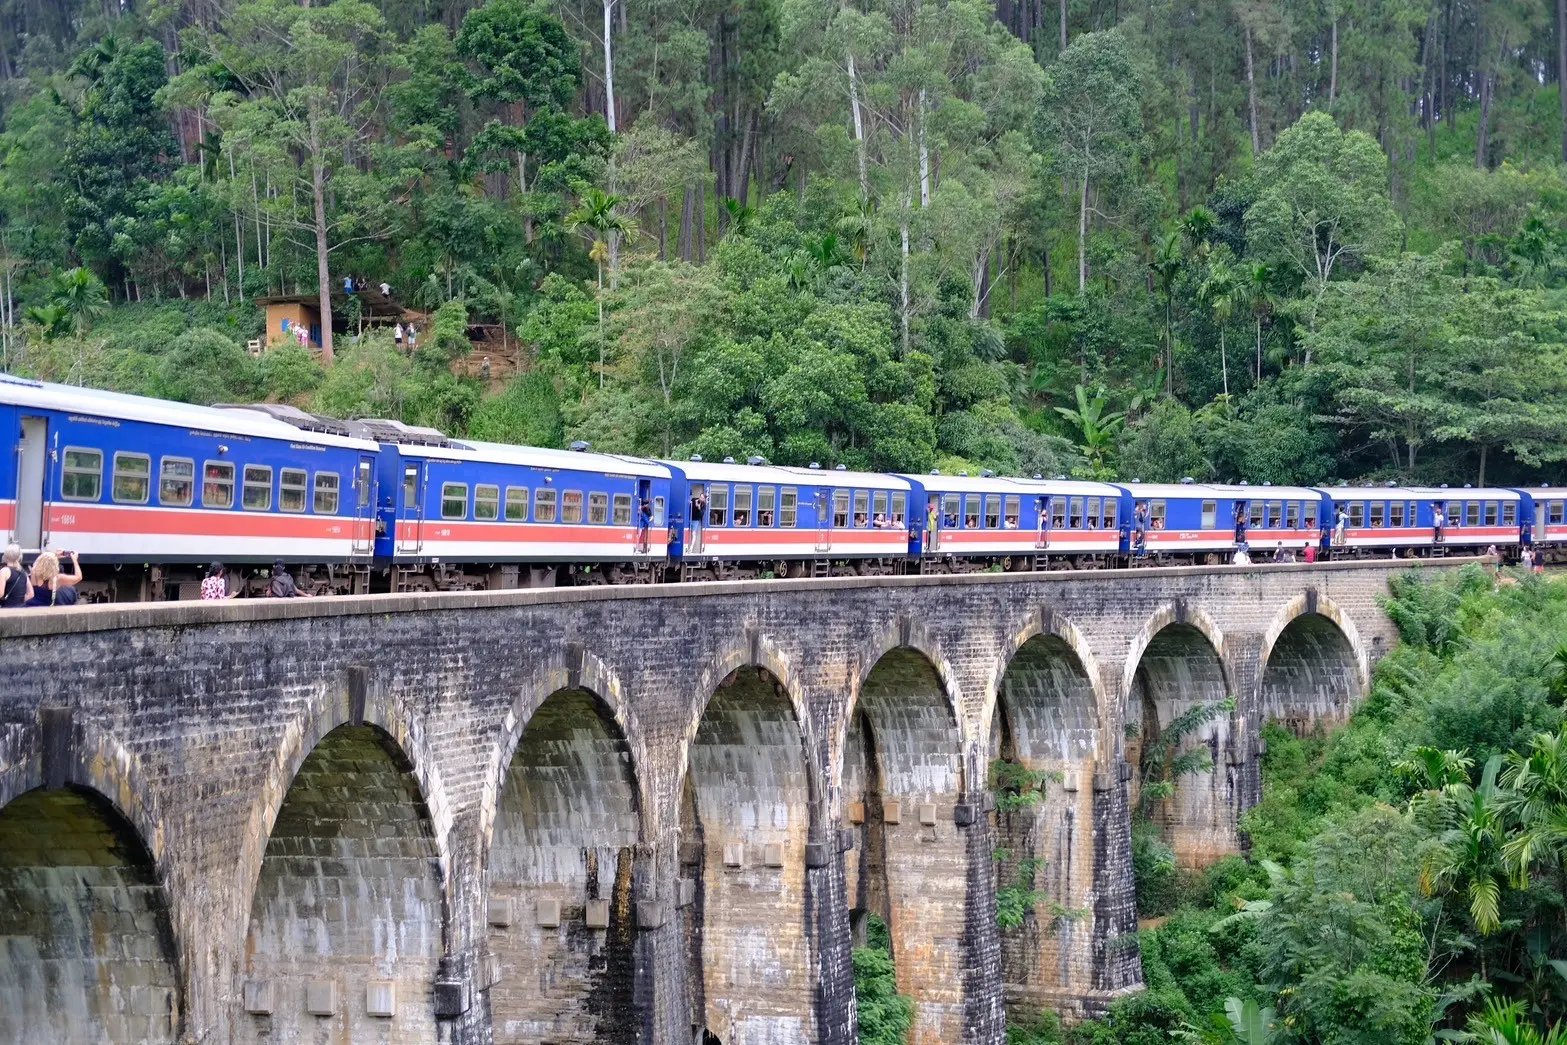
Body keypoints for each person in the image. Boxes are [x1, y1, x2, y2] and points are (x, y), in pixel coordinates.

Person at [1, 543, 32, 608]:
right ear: (19, 557)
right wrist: (17, 602)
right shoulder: (23, 572)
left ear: (5, 555)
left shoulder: (4, 571)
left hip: (7, 609)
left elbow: (0, 593)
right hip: (21, 608)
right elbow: (30, 594)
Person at [689, 488, 708, 552]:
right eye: (700, 497)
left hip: (696, 520)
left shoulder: (704, 505)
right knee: (687, 532)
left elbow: (701, 514)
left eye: (702, 498)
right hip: (689, 518)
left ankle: (691, 548)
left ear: (704, 499)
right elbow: (689, 503)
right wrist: (694, 503)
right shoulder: (694, 500)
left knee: (693, 533)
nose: (701, 499)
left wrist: (699, 508)